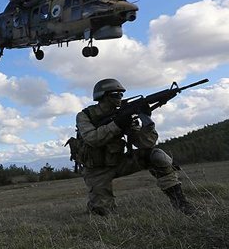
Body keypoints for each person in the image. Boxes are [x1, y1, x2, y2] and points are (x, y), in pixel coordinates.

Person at [76, 78, 195, 216]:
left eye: (121, 94)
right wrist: (117, 124)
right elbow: (92, 139)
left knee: (157, 156)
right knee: (102, 213)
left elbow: (145, 144)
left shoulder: (123, 115)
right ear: (103, 96)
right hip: (96, 170)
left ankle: (182, 205)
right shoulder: (85, 115)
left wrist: (146, 121)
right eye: (115, 94)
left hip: (118, 162)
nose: (120, 98)